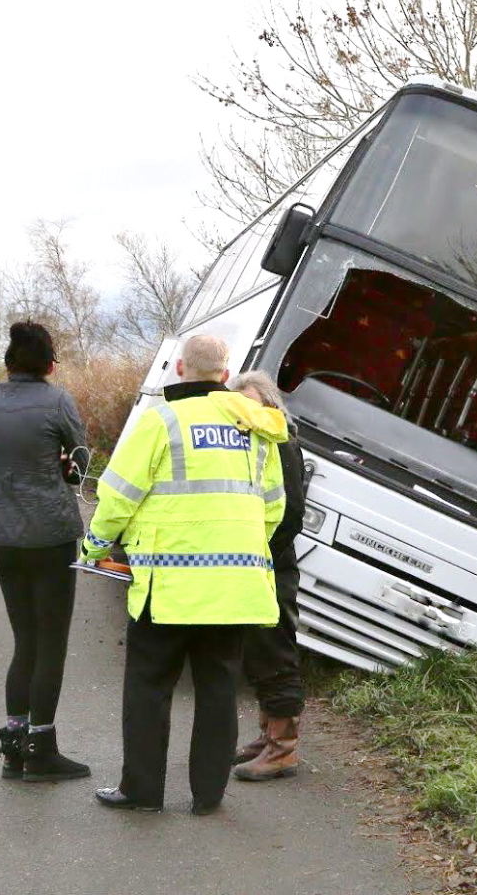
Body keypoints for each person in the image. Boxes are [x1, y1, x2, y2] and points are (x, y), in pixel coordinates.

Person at [81, 335, 288, 815]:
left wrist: (95, 545)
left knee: (149, 689)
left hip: (168, 588)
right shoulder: (256, 426)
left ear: (177, 367)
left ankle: (142, 791)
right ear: (225, 371)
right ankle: (208, 795)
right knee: (217, 689)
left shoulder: (162, 420)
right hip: (234, 587)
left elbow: (118, 497)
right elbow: (274, 508)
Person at [0, 321, 91, 782]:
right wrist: (66, 468)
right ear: (49, 363)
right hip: (51, 536)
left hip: (3, 537)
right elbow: (81, 460)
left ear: (9, 362)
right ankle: (41, 749)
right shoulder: (58, 400)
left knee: (25, 642)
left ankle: (13, 749)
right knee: (51, 645)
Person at [227, 370, 306, 781]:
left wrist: (260, 554)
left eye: (254, 403)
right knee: (257, 651)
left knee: (275, 651)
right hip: (255, 563)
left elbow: (292, 515)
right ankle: (267, 736)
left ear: (271, 404)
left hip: (272, 565)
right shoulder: (253, 444)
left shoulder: (283, 444)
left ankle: (284, 749)